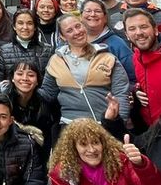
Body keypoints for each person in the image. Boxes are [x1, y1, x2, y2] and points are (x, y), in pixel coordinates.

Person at [39, 14, 129, 143]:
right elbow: (47, 93)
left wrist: (119, 122)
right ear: (62, 37)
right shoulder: (56, 60)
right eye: (69, 30)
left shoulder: (107, 57)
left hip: (103, 125)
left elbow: (121, 93)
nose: (77, 32)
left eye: (78, 26)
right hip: (69, 126)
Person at [0, 60, 60, 152]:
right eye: (20, 74)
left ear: (37, 81)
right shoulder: (0, 99)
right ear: (12, 78)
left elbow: (46, 139)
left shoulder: (44, 102)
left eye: (31, 75)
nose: (25, 78)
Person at [80, 0, 135, 82]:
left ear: (105, 18)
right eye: (88, 11)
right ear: (81, 16)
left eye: (98, 11)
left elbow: (133, 77)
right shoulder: (72, 42)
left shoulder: (117, 44)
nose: (93, 14)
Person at [0, 9, 52, 85]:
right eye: (20, 23)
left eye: (29, 23)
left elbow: (50, 83)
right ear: (14, 26)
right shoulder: (4, 51)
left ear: (35, 27)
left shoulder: (47, 50)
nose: (25, 27)